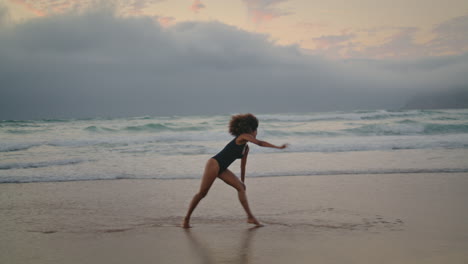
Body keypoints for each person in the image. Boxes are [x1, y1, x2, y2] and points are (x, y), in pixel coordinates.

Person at [183, 113, 288, 228]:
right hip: (214, 164)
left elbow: (243, 166)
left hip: (222, 168)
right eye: (256, 131)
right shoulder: (242, 137)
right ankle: (186, 219)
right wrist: (278, 147)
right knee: (203, 193)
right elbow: (260, 143)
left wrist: (243, 181)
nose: (256, 134)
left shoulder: (246, 148)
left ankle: (250, 217)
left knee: (241, 188)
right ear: (251, 130)